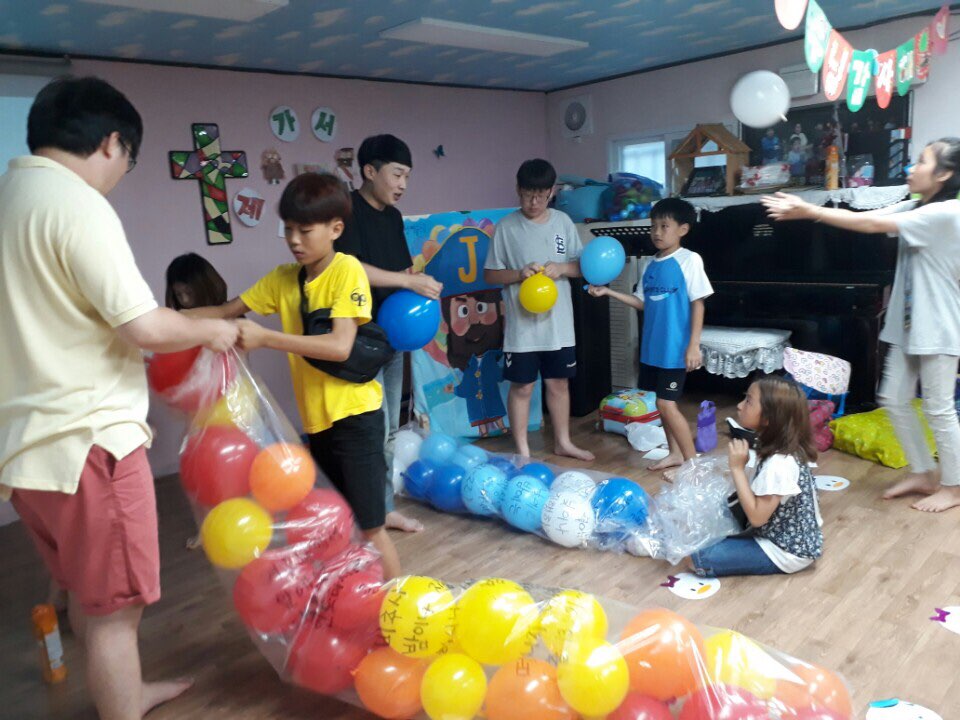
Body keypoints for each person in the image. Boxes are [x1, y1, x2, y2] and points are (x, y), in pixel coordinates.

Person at [0, 76, 238, 720]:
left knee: (88, 593)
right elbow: (143, 325)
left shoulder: (9, 197)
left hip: (25, 453)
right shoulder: (75, 204)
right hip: (89, 442)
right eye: (127, 161)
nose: (119, 177)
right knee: (115, 611)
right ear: (111, 142)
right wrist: (212, 329)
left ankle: (126, 694)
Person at [187, 172, 402, 577]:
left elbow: (340, 346)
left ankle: (397, 604)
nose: (294, 240)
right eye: (288, 229)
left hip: (356, 418)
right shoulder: (283, 279)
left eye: (305, 230)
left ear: (335, 229)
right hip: (318, 424)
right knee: (334, 522)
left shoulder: (346, 270)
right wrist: (160, 320)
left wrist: (266, 338)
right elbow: (225, 311)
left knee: (371, 527)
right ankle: (351, 594)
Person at [763, 137, 960, 513]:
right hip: (909, 325)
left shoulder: (947, 212)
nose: (911, 167)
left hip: (938, 326)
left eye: (922, 161)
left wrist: (808, 210)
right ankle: (923, 472)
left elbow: (871, 222)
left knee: (938, 409)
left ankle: (954, 486)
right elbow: (871, 215)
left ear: (944, 174)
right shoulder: (919, 206)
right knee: (893, 398)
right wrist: (811, 209)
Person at [335, 134, 441, 533]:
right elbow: (350, 269)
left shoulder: (394, 217)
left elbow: (399, 273)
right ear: (369, 170)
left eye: (407, 177)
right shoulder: (346, 211)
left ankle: (382, 508)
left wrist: (419, 284)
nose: (402, 184)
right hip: (357, 339)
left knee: (389, 429)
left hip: (392, 336)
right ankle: (362, 512)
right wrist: (408, 281)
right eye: (397, 174)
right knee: (366, 430)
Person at [589, 198, 713, 472]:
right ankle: (675, 454)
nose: (657, 232)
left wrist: (694, 345)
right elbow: (642, 302)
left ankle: (693, 466)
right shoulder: (649, 265)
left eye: (664, 226)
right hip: (653, 348)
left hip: (675, 348)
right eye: (653, 226)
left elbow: (698, 303)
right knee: (660, 403)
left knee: (666, 404)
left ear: (683, 229)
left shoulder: (689, 260)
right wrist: (608, 291)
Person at [484, 158, 593, 461]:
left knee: (558, 383)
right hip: (522, 329)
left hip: (558, 325)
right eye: (527, 195)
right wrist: (519, 273)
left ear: (552, 192)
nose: (534, 202)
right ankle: (522, 450)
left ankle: (563, 442)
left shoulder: (563, 223)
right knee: (522, 387)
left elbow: (581, 267)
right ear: (518, 189)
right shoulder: (506, 228)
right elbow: (491, 275)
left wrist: (561, 268)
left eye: (541, 196)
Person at [685, 376, 823, 577]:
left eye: (748, 401)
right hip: (778, 532)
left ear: (769, 417)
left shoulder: (780, 463)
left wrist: (737, 468)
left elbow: (757, 518)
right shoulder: (779, 446)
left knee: (696, 557)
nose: (740, 406)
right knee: (703, 519)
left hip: (785, 550)